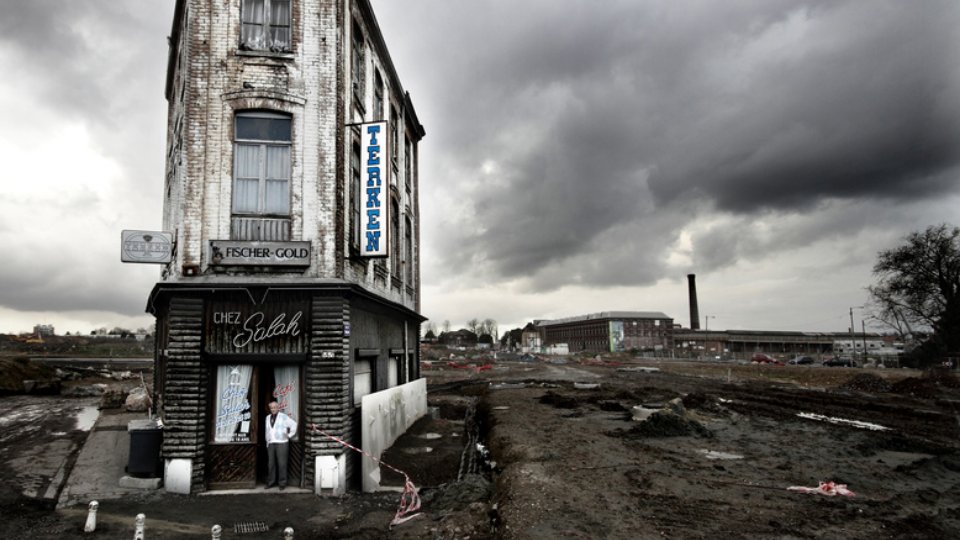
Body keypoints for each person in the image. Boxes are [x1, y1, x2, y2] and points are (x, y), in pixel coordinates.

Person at [264, 400, 297, 489]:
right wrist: (267, 441)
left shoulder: (283, 417)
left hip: (282, 442)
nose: (273, 409)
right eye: (271, 408)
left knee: (282, 463)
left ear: (278, 408)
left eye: (274, 407)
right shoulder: (267, 417)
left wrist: (289, 435)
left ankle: (282, 483)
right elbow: (267, 430)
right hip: (271, 443)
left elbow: (294, 424)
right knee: (271, 464)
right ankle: (271, 482)